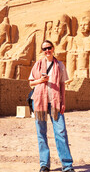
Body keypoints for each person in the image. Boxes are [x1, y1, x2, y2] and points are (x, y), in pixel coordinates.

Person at [28, 40, 74, 172]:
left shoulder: (59, 65)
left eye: (49, 48)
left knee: (61, 132)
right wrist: (41, 80)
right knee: (41, 133)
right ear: (42, 51)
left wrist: (63, 101)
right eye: (44, 49)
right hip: (39, 102)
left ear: (53, 49)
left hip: (55, 102)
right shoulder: (37, 65)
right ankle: (44, 164)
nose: (47, 50)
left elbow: (63, 85)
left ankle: (67, 165)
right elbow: (31, 83)